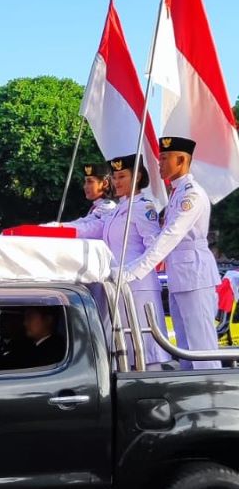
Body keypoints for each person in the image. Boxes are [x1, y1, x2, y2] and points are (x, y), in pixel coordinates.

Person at [122, 137, 222, 370]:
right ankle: (190, 396)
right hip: (180, 274)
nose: (159, 163)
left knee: (202, 348)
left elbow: (170, 236)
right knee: (185, 348)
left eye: (165, 158)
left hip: (194, 275)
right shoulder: (177, 193)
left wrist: (135, 270)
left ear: (181, 160)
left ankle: (210, 398)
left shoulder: (191, 194)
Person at [73, 154, 171, 368]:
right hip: (119, 287)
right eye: (115, 177)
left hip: (139, 288)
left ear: (136, 177)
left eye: (122, 176)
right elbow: (92, 228)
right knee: (126, 352)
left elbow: (155, 249)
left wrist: (131, 272)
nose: (117, 182)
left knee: (146, 354)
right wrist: (57, 229)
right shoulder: (118, 208)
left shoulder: (143, 208)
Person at [68, 162, 116, 226]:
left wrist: (59, 226)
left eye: (90, 181)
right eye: (85, 182)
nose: (85, 186)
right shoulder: (97, 206)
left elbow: (85, 225)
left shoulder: (108, 206)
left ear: (104, 183)